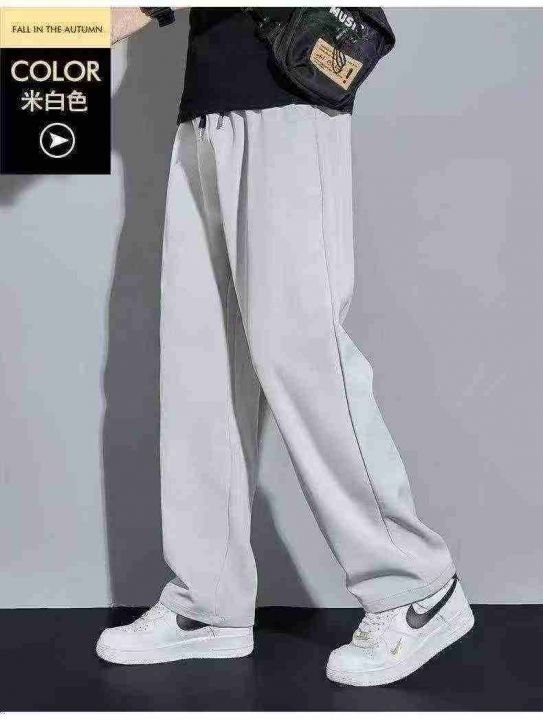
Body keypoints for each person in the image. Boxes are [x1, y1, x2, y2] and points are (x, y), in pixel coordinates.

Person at [97, 7, 474, 686]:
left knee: (299, 350)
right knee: (199, 363)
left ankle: (416, 588)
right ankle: (208, 602)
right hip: (205, 106)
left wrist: (75, 25)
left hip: (287, 96)